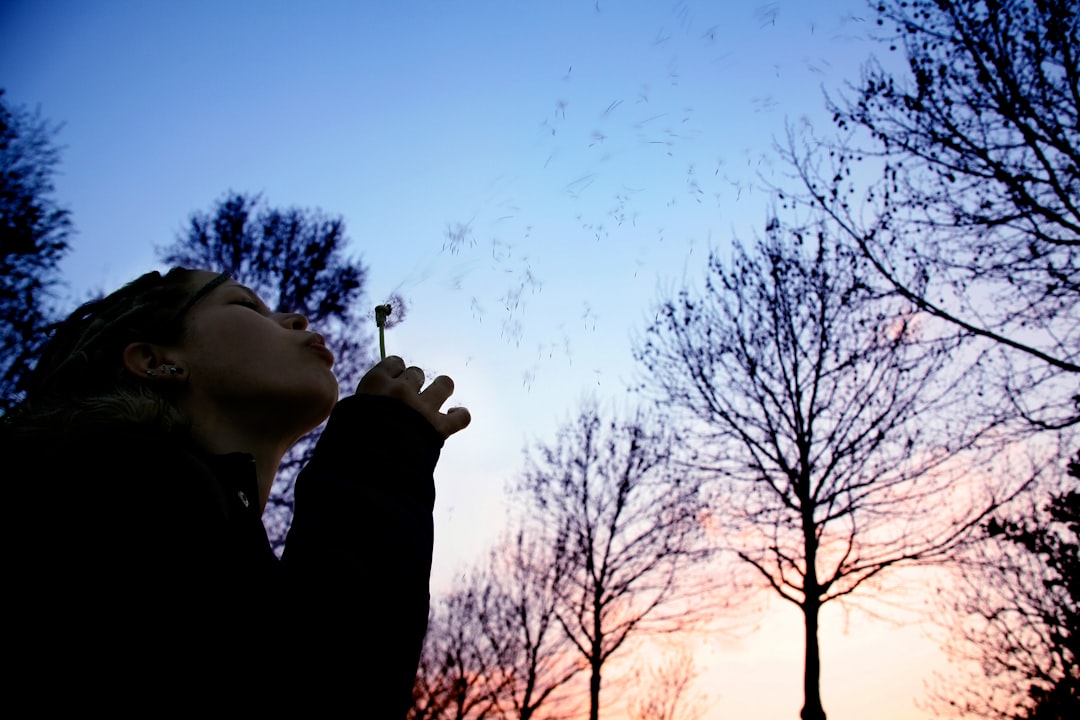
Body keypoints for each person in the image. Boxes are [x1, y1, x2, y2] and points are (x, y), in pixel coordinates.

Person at [2, 267, 470, 716]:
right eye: (247, 305)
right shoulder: (99, 488)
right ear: (155, 360)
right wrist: (381, 448)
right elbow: (312, 690)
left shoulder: (177, 509)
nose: (297, 319)